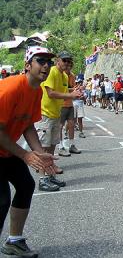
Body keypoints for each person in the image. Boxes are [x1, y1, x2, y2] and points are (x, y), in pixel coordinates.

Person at [0, 47, 58, 257]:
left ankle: (14, 240)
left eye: (49, 62)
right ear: (27, 65)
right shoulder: (10, 89)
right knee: (1, 200)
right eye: (40, 61)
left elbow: (27, 125)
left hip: (5, 150)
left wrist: (40, 153)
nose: (46, 66)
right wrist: (26, 155)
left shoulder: (36, 90)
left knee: (26, 185)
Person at [36, 51, 83, 192]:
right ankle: (42, 179)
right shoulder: (52, 72)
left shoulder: (63, 75)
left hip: (55, 114)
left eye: (69, 61)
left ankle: (50, 176)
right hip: (46, 114)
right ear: (58, 60)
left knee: (51, 148)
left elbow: (62, 90)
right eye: (65, 60)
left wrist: (73, 89)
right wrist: (70, 94)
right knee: (44, 149)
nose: (67, 63)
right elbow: (51, 93)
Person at [58, 57, 81, 157]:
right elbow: (61, 89)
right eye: (67, 65)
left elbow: (71, 88)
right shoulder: (60, 75)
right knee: (60, 126)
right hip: (61, 104)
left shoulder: (72, 76)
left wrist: (76, 90)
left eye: (70, 65)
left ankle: (72, 145)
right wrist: (74, 90)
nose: (68, 67)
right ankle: (60, 146)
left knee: (71, 124)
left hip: (70, 103)